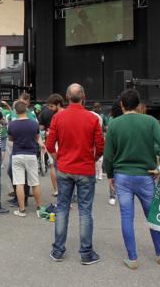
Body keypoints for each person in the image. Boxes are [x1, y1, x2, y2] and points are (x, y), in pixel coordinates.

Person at [103, 89, 160, 269]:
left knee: (127, 216)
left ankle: (132, 258)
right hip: (146, 175)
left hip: (122, 176)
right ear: (139, 104)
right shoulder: (150, 121)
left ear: (122, 105)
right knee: (152, 215)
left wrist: (110, 175)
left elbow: (108, 156)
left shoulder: (114, 124)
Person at [46, 83, 104, 265]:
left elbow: (49, 144)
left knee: (62, 208)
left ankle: (58, 250)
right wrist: (92, 159)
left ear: (66, 97)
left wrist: (58, 158)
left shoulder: (58, 118)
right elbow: (101, 146)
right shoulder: (93, 118)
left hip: (64, 168)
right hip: (85, 169)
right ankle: (86, 253)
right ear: (84, 96)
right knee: (85, 211)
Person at [8, 101, 45, 217]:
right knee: (35, 182)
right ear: (26, 110)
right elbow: (37, 137)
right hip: (31, 154)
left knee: (19, 183)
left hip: (17, 154)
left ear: (15, 111)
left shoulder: (12, 124)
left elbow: (11, 138)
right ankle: (39, 207)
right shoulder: (34, 123)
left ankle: (22, 209)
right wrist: (41, 144)